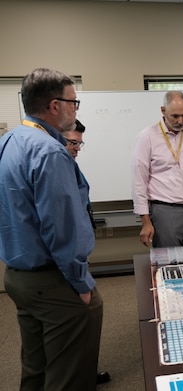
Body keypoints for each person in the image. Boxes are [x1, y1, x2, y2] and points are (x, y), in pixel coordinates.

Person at [0, 68, 103, 390]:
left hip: (17, 275)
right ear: (54, 105)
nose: (76, 108)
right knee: (68, 374)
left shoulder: (9, 141)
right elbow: (62, 227)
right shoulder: (50, 151)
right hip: (52, 278)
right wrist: (81, 284)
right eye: (74, 102)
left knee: (36, 366)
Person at [63, 119, 111, 385]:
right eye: (73, 142)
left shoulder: (70, 163)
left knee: (86, 314)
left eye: (80, 143)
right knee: (84, 312)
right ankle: (79, 377)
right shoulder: (54, 165)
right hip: (68, 259)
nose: (77, 148)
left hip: (77, 253)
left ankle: (84, 373)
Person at [132, 90, 183, 248]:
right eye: (175, 116)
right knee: (169, 264)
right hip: (165, 211)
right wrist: (145, 221)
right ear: (163, 111)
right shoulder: (147, 137)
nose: (181, 121)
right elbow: (139, 182)